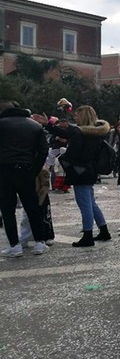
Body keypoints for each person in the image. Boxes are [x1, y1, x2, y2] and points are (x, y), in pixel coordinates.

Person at [35, 105, 113, 246]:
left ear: (82, 116)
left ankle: (88, 236)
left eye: (77, 115)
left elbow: (73, 151)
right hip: (90, 171)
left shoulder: (79, 132)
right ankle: (104, 230)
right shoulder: (96, 133)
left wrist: (64, 159)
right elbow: (66, 133)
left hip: (80, 172)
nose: (74, 117)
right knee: (91, 202)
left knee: (85, 204)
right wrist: (49, 125)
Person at [0, 101, 50, 257]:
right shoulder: (34, 126)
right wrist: (35, 168)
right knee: (32, 207)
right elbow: (43, 150)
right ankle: (40, 242)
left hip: (4, 170)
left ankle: (14, 245)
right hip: (27, 170)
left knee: (7, 209)